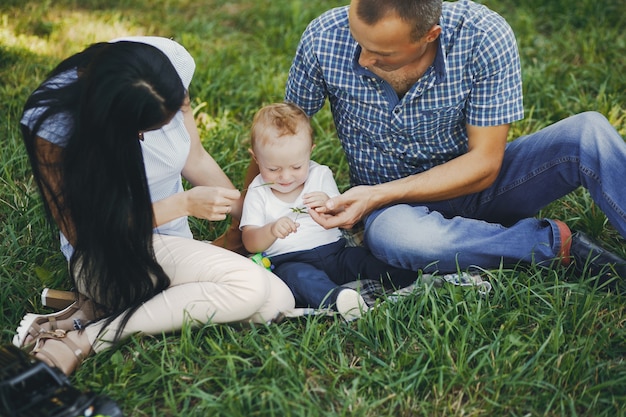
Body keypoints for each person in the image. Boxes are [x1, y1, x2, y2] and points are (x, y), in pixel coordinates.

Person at [282, 0, 626, 286]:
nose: (361, 59)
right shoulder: (325, 38)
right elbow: (281, 132)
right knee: (397, 239)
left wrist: (375, 194)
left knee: (588, 131)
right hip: (395, 212)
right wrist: (244, 226)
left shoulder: (483, 35)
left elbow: (485, 164)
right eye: (358, 41)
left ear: (430, 35)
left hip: (479, 183)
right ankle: (555, 245)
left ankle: (473, 238)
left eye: (379, 52)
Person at [16, 36, 295, 375]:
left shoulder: (165, 65)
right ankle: (82, 339)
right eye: (143, 131)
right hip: (109, 257)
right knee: (249, 288)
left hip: (172, 244)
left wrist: (252, 215)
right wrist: (183, 204)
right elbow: (83, 233)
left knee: (278, 302)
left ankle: (95, 311)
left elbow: (194, 157)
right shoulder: (55, 124)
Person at [240, 102, 419, 320]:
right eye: (273, 169)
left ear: (310, 152)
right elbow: (250, 241)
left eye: (296, 167)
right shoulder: (258, 191)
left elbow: (344, 219)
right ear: (256, 158)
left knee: (364, 260)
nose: (286, 177)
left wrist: (329, 204)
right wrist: (270, 230)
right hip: (290, 260)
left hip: (335, 252)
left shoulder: (320, 175)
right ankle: (338, 299)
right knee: (297, 279)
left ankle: (411, 280)